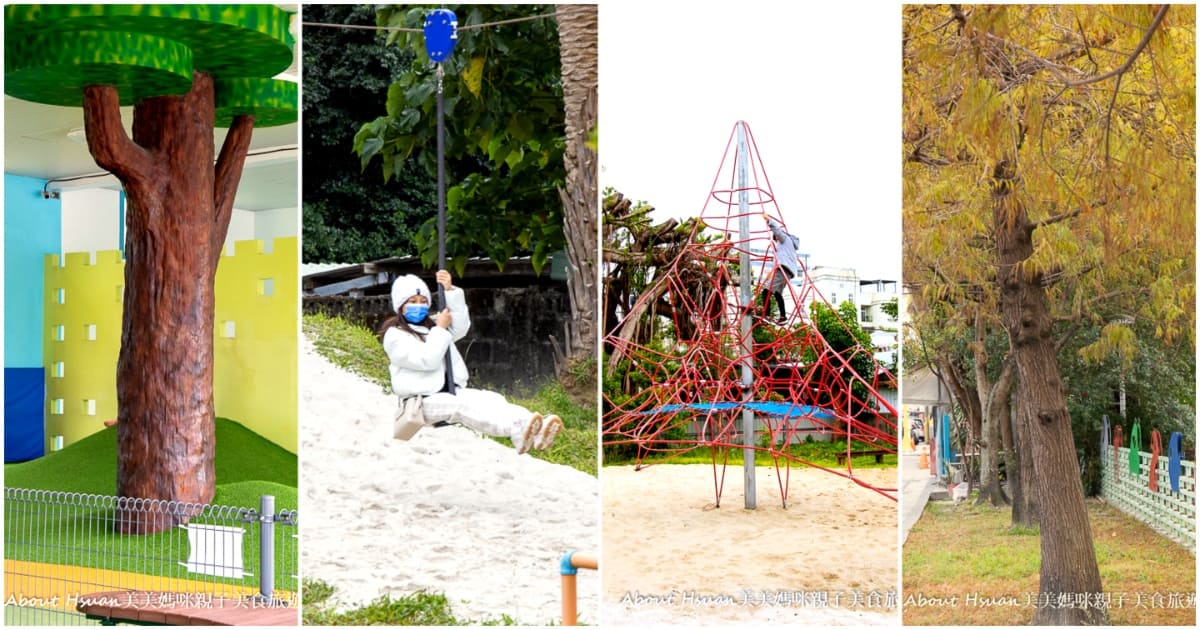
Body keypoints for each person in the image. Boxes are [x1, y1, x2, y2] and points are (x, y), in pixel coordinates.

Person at [380, 270, 563, 453]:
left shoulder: (433, 327)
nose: (418, 306)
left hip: (450, 391)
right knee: (460, 406)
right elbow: (428, 360)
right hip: (420, 403)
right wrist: (441, 329)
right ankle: (513, 429)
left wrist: (450, 290)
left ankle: (534, 427)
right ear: (400, 306)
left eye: (423, 302)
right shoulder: (395, 336)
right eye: (412, 302)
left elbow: (460, 327)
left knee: (491, 399)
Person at [762, 212, 800, 321]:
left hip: (783, 269)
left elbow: (777, 230)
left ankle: (766, 315)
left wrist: (768, 220)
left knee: (766, 290)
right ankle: (783, 317)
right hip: (789, 271)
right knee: (778, 293)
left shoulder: (784, 239)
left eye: (775, 239)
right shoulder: (789, 245)